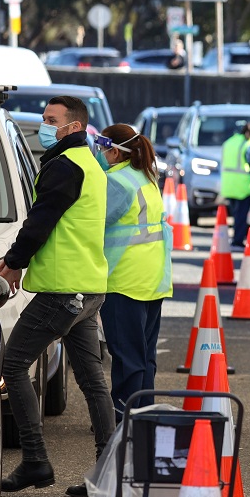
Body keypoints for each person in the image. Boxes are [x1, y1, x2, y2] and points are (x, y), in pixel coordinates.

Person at [0, 95, 115, 497]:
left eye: (51, 120)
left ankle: (34, 460)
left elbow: (40, 221)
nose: (45, 126)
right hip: (89, 288)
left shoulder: (64, 167)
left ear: (73, 127)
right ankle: (108, 471)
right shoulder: (90, 164)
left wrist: (13, 262)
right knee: (93, 382)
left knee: (12, 365)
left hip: (64, 290)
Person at [95, 125, 173, 421]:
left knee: (127, 356)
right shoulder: (146, 177)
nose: (100, 154)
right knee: (143, 355)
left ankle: (123, 416)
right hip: (152, 278)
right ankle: (142, 414)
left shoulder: (116, 182)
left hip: (124, 279)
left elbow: (94, 222)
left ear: (115, 151)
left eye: (102, 148)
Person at [220, 121, 250, 250]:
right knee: (241, 216)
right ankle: (237, 241)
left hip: (229, 184)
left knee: (235, 214)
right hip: (243, 186)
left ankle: (235, 239)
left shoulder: (229, 142)